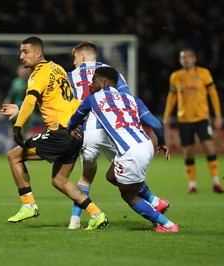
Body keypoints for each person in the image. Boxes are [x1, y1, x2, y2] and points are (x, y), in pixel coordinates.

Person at [0, 36, 108, 230]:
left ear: (38, 53)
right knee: (59, 180)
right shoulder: (57, 68)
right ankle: (96, 214)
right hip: (75, 132)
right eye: (20, 51)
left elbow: (31, 101)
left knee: (14, 156)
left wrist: (17, 126)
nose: (21, 56)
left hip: (60, 133)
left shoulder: (37, 74)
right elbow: (71, 100)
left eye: (25, 52)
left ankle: (28, 204)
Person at [66, 41, 170, 229]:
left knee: (87, 177)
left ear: (82, 56)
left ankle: (75, 221)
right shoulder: (111, 71)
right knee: (125, 172)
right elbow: (124, 98)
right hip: (112, 132)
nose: (74, 63)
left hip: (87, 131)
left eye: (74, 58)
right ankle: (155, 203)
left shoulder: (70, 76)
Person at [163, 48, 224, 194]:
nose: (186, 59)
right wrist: (166, 115)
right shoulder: (176, 76)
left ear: (194, 59)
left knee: (209, 148)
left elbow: (213, 94)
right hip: (184, 119)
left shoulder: (204, 73)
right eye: (183, 57)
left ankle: (216, 182)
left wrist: (218, 115)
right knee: (188, 152)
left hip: (202, 118)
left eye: (189, 57)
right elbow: (172, 97)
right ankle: (192, 185)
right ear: (180, 60)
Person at [1, 64, 36, 137]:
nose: (23, 72)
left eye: (25, 70)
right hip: (16, 110)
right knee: (12, 133)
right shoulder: (15, 83)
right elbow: (10, 96)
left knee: (23, 132)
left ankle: (23, 146)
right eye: (21, 70)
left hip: (28, 110)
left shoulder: (32, 82)